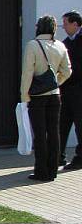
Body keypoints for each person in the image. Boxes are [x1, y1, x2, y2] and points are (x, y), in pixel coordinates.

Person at [20, 15, 72, 182]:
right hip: (55, 95)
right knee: (54, 133)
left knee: (40, 134)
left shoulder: (32, 45)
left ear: (39, 27)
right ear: (54, 28)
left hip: (37, 96)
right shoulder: (60, 45)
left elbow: (27, 73)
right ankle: (53, 170)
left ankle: (41, 171)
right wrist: (55, 83)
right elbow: (67, 71)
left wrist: (24, 95)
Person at [59, 10, 82, 170]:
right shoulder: (65, 43)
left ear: (75, 24)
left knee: (80, 124)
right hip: (67, 89)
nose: (64, 27)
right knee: (62, 122)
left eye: (66, 23)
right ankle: (57, 155)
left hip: (79, 89)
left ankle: (80, 158)